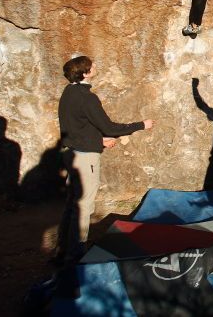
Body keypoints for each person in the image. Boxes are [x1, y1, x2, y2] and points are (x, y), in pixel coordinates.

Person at [54, 56, 154, 265]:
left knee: (72, 203)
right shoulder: (87, 97)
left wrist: (99, 141)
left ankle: (62, 249)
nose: (95, 67)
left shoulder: (68, 93)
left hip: (71, 153)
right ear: (85, 72)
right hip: (84, 158)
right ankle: (77, 253)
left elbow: (76, 127)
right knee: (84, 204)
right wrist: (141, 125)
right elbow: (109, 127)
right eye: (92, 66)